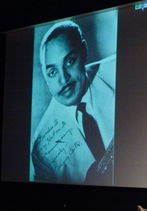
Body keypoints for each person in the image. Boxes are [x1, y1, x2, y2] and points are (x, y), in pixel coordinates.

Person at [30, 20, 116, 184]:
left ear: (84, 51)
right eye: (53, 72)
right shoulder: (41, 149)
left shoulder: (117, 70)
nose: (63, 79)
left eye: (69, 61)